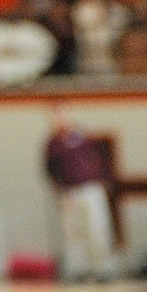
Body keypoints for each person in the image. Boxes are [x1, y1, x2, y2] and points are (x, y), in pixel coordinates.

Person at [43, 104, 115, 282]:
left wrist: (105, 180)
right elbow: (50, 170)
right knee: (74, 233)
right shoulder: (53, 144)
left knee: (97, 228)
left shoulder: (85, 138)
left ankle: (103, 268)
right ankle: (78, 270)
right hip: (70, 192)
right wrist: (59, 192)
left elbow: (102, 160)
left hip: (90, 189)